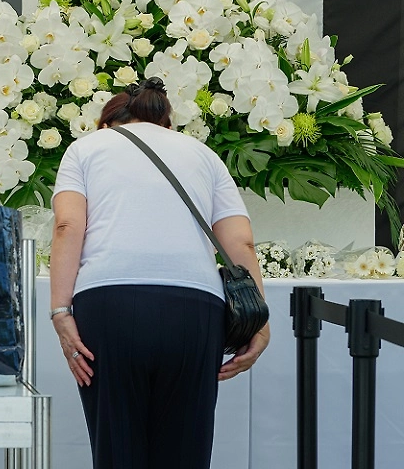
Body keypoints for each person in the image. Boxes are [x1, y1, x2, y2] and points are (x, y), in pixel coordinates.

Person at [49, 77, 269, 468]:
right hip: (195, 309)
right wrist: (260, 323)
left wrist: (60, 312)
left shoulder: (86, 148)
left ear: (108, 123)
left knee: (118, 451)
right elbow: (242, 243)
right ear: (167, 123)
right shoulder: (203, 155)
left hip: (109, 304)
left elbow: (68, 225)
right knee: (184, 453)